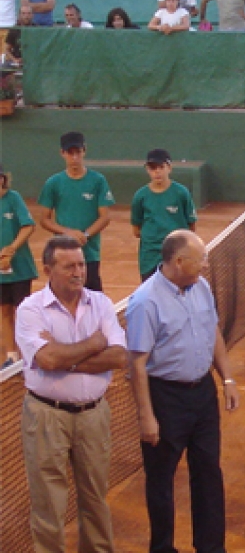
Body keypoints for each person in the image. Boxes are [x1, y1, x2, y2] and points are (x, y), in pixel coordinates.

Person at [126, 230, 239, 553]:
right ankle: (162, 548)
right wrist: (146, 416)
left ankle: (210, 547)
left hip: (202, 395)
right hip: (165, 398)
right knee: (161, 481)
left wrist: (226, 379)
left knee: (208, 473)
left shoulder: (200, 287)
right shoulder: (145, 301)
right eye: (200, 259)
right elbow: (137, 363)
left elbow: (213, 330)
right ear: (178, 262)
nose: (205, 265)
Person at [16, 235, 128, 553]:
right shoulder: (31, 309)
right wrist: (94, 344)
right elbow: (47, 360)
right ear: (48, 268)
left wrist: (66, 359)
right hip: (46, 416)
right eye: (69, 266)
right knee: (48, 503)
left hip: (94, 415)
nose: (79, 272)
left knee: (95, 498)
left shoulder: (101, 303)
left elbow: (120, 357)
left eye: (81, 264)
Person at [38, 132, 115, 292]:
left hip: (90, 254)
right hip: (61, 254)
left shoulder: (98, 181)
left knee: (93, 300)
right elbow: (44, 219)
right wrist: (67, 233)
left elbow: (105, 216)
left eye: (77, 152)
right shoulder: (53, 183)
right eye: (70, 153)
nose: (74, 157)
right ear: (62, 153)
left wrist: (84, 236)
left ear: (84, 151)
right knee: (63, 297)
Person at [131, 149, 197, 282]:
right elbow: (136, 230)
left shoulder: (181, 193)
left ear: (169, 168)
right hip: (149, 259)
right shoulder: (140, 196)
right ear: (147, 170)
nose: (157, 172)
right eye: (152, 168)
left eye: (161, 167)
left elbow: (191, 226)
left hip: (176, 256)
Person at [0, 163, 37, 367]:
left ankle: (28, 356)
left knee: (23, 311)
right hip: (0, 270)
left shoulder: (13, 198)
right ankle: (11, 357)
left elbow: (28, 226)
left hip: (20, 268)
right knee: (4, 310)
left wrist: (11, 249)